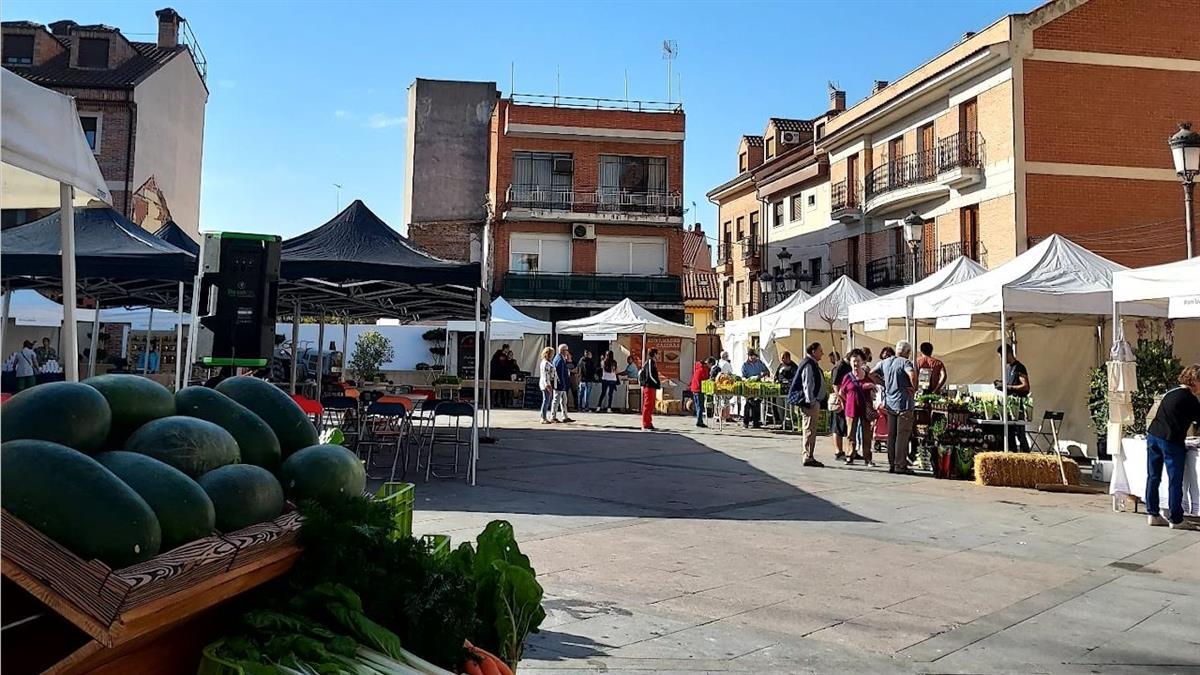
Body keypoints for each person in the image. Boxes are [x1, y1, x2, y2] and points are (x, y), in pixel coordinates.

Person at [1145, 364, 1200, 530]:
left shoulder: (1171, 392)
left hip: (1153, 435)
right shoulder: (1190, 399)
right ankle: (1176, 519)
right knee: (1175, 480)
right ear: (1195, 381)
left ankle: (1153, 514)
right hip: (1171, 441)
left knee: (1153, 476)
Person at [872, 340, 917, 474]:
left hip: (890, 404)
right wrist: (913, 387)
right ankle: (900, 465)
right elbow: (912, 374)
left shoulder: (885, 362)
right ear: (907, 352)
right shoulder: (905, 362)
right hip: (903, 404)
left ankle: (892, 463)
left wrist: (883, 383)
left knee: (891, 435)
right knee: (902, 436)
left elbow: (871, 373)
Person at [788, 342, 826, 467]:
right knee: (809, 429)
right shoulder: (808, 364)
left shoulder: (812, 363)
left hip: (813, 401)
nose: (822, 353)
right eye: (820, 350)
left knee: (811, 429)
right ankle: (808, 456)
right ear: (813, 351)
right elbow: (807, 384)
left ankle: (810, 455)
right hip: (810, 403)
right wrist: (811, 401)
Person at [839, 349, 876, 466]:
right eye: (853, 361)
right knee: (851, 434)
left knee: (866, 434)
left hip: (865, 409)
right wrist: (848, 401)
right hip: (851, 409)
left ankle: (867, 458)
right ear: (850, 362)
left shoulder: (867, 376)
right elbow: (841, 393)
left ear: (862, 362)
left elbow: (875, 391)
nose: (856, 364)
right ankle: (850, 456)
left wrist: (871, 386)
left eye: (858, 361)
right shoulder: (847, 377)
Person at [994, 345, 1030, 452]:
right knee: (1009, 434)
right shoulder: (1007, 368)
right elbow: (1009, 384)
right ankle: (1013, 455)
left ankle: (1027, 456)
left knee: (1020, 434)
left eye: (1002, 356)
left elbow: (1026, 386)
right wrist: (1000, 384)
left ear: (1008, 353)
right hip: (1009, 405)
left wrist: (1008, 387)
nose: (1001, 359)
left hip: (1018, 406)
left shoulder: (1019, 367)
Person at [830, 352, 853, 460]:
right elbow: (835, 384)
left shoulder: (848, 366)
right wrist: (841, 399)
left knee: (846, 426)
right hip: (840, 400)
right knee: (837, 426)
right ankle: (838, 451)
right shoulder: (839, 366)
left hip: (848, 399)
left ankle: (850, 450)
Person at [741, 350, 770, 428]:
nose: (753, 358)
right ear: (749, 356)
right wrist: (747, 379)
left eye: (754, 357)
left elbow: (766, 371)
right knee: (748, 403)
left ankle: (756, 422)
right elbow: (743, 376)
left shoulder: (759, 363)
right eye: (751, 357)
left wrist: (762, 375)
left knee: (757, 403)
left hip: (758, 384)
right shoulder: (745, 365)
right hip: (749, 385)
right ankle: (745, 422)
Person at [551, 344, 574, 423]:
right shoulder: (559, 359)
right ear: (562, 351)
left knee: (564, 401)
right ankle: (553, 416)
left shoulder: (561, 358)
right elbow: (560, 374)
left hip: (562, 383)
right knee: (556, 400)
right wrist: (562, 384)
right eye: (566, 350)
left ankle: (565, 416)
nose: (567, 352)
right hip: (559, 384)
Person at [639, 348, 661, 431]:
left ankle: (649, 422)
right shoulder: (649, 362)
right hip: (649, 386)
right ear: (654, 354)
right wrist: (657, 382)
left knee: (651, 405)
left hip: (652, 386)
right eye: (657, 354)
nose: (658, 355)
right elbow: (650, 375)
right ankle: (645, 424)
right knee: (647, 405)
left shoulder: (653, 362)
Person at [690, 357, 714, 428]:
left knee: (697, 406)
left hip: (694, 388)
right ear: (710, 363)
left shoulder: (698, 367)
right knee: (700, 406)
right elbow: (705, 380)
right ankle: (699, 421)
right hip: (699, 389)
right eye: (711, 365)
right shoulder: (704, 369)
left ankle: (699, 420)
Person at [538, 347, 557, 424]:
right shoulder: (546, 363)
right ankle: (543, 417)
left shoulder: (546, 362)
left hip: (545, 382)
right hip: (546, 383)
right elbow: (545, 375)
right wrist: (548, 385)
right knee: (546, 400)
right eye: (552, 354)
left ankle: (544, 416)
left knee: (546, 400)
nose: (553, 355)